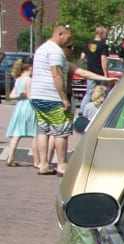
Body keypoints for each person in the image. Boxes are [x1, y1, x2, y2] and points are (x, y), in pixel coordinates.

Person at [30, 22, 74, 176]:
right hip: (52, 96)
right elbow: (57, 75)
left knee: (43, 130)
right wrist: (64, 98)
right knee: (60, 131)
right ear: (59, 34)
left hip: (37, 95)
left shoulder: (41, 49)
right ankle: (61, 164)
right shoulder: (56, 52)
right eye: (68, 38)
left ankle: (43, 164)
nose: (69, 42)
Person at [4, 59, 38, 166]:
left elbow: (10, 95)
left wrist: (20, 95)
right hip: (29, 108)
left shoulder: (18, 79)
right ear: (29, 67)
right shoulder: (29, 80)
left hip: (19, 106)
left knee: (17, 134)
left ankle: (10, 157)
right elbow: (30, 97)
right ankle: (37, 161)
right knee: (34, 134)